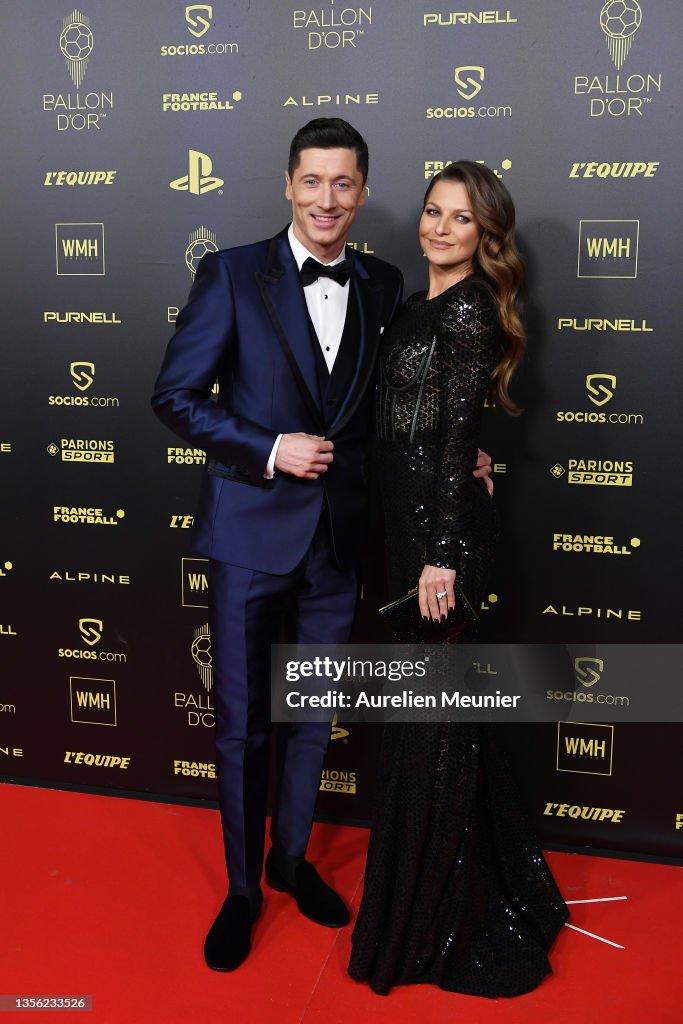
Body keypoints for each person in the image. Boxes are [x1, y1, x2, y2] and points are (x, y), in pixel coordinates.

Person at [152, 119, 492, 973]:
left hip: (339, 544)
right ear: (288, 184)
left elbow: (394, 408)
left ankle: (291, 859)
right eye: (312, 182)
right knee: (241, 727)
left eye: (344, 184)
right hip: (247, 537)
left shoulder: (384, 285)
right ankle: (240, 889)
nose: (327, 200)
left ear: (363, 191)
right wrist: (269, 449)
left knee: (311, 718)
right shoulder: (230, 272)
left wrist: (456, 448)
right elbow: (175, 395)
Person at [348, 162, 568, 997]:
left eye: (461, 219)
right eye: (433, 212)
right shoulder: (417, 302)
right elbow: (422, 427)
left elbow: (451, 439)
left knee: (431, 718)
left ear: (487, 235)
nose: (440, 228)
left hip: (434, 543)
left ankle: (436, 917)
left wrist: (441, 551)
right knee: (429, 717)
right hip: (407, 527)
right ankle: (443, 891)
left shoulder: (471, 309)